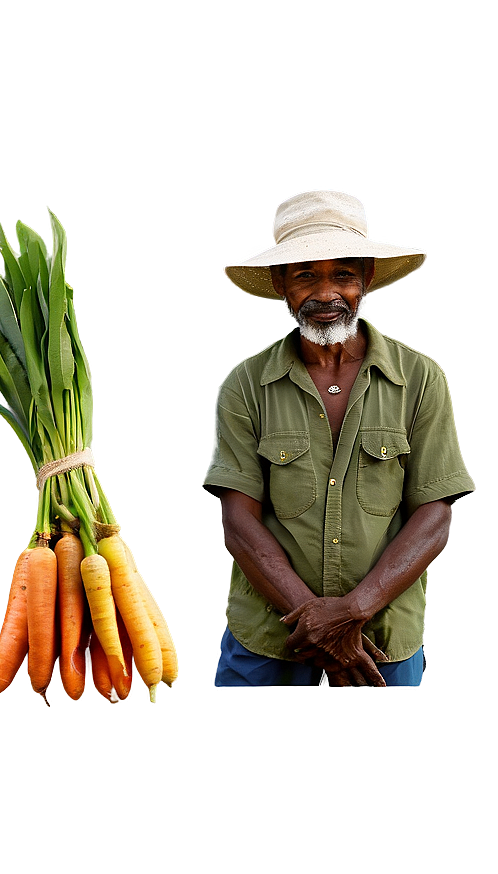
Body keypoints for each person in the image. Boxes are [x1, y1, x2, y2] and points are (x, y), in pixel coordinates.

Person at [202, 188, 474, 687]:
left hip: (384, 636)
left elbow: (434, 516)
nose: (325, 293)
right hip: (270, 635)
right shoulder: (245, 384)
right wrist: (320, 623)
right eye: (305, 275)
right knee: (244, 762)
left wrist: (353, 611)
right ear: (281, 284)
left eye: (343, 275)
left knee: (384, 767)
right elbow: (238, 526)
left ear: (366, 279)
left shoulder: (420, 379)